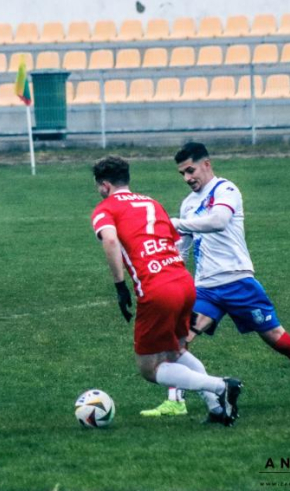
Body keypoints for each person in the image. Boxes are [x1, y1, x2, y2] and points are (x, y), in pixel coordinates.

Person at [142, 142, 290, 418]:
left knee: (278, 339)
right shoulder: (188, 205)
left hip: (238, 283)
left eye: (190, 170)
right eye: (182, 174)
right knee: (178, 341)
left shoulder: (226, 190)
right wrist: (167, 274)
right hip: (206, 289)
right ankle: (176, 400)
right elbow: (182, 248)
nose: (187, 178)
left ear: (206, 164)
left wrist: (176, 223)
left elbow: (219, 221)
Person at [91, 156, 242, 426]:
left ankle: (221, 386)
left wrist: (119, 285)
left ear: (104, 185)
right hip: (182, 281)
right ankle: (217, 409)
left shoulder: (105, 208)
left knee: (149, 368)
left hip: (157, 290)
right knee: (175, 351)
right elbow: (174, 241)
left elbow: (111, 240)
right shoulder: (151, 202)